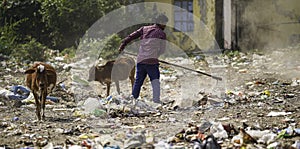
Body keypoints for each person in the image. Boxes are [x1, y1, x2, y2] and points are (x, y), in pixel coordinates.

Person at [118, 14, 168, 104]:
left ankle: (133, 99)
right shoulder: (161, 34)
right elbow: (162, 50)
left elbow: (131, 36)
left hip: (141, 60)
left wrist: (123, 45)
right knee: (155, 82)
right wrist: (156, 55)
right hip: (152, 62)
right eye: (164, 23)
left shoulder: (144, 29)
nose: (165, 25)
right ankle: (156, 101)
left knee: (138, 81)